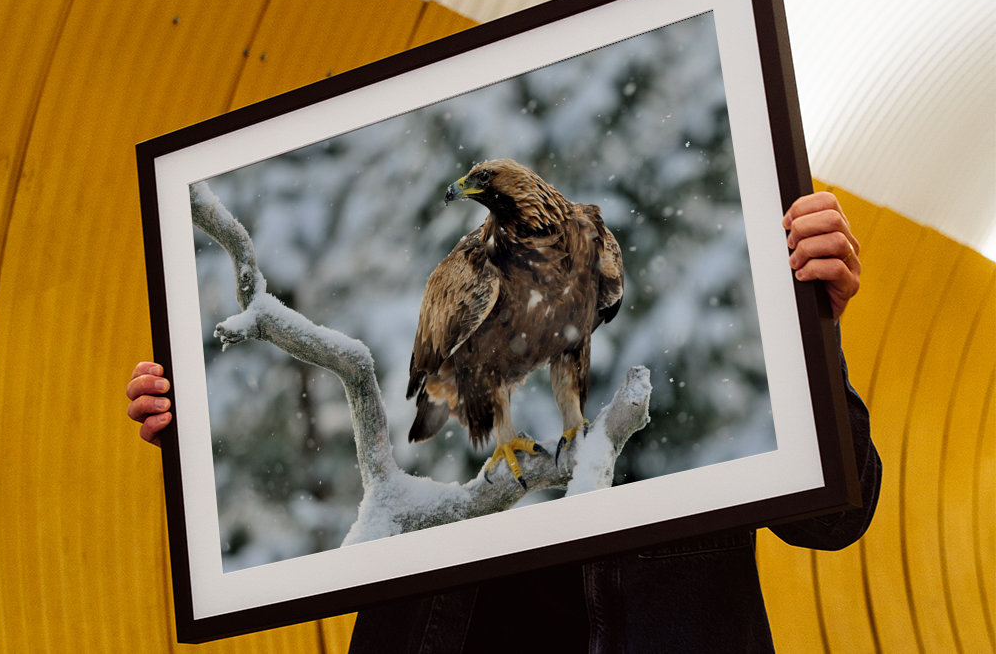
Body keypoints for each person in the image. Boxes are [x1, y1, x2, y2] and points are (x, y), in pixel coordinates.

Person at [127, 192, 881, 652]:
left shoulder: (672, 360)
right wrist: (197, 437)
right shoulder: (469, 288)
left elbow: (837, 517)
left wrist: (812, 329)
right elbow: (321, 478)